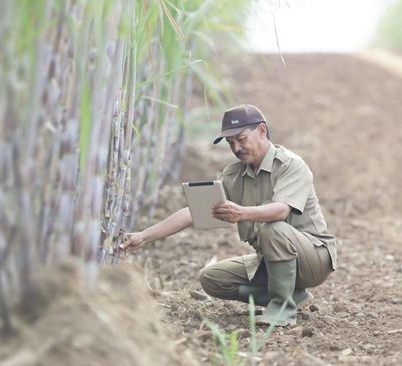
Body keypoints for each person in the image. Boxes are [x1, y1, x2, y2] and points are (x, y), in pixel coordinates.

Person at [122, 104, 337, 326]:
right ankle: (290, 297)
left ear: (262, 131)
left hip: (313, 259)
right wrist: (143, 236)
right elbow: (193, 212)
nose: (236, 148)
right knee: (213, 278)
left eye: (241, 139)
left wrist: (241, 213)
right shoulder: (234, 175)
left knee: (274, 228)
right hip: (272, 260)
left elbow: (281, 211)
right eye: (230, 143)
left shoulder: (290, 165)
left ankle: (282, 310)